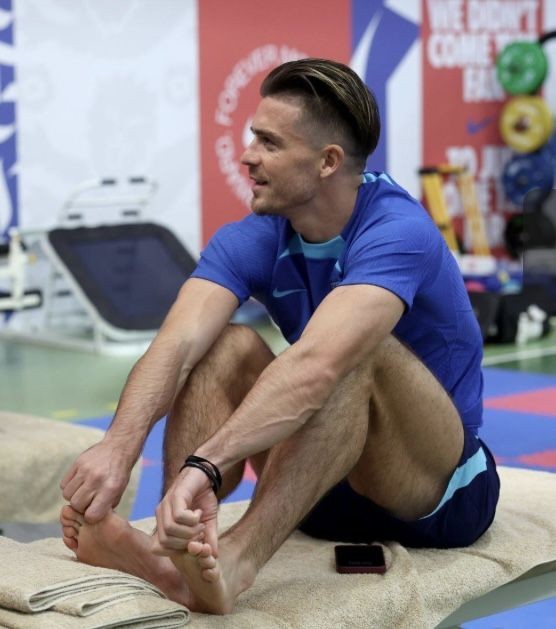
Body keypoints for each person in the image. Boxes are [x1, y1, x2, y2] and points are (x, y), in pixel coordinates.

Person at [59, 58, 500, 615]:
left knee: (353, 355)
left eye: (268, 142)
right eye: (252, 137)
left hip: (437, 494)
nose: (247, 156)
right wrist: (119, 446)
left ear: (327, 161)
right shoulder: (255, 237)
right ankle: (173, 546)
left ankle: (237, 560)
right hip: (319, 489)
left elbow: (317, 367)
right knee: (224, 345)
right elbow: (177, 345)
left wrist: (206, 463)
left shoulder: (397, 231)